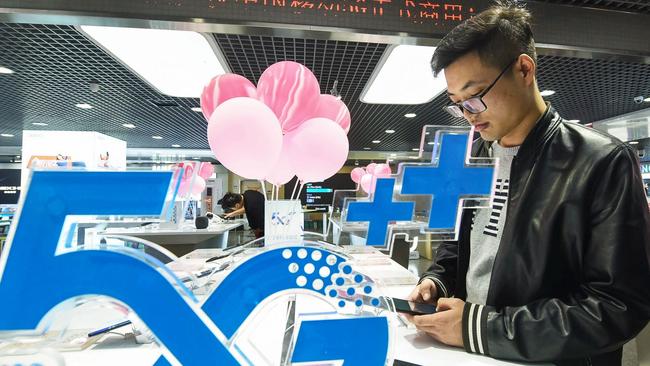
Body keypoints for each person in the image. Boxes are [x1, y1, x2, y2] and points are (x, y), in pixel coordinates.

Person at [406, 2, 650, 365]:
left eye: (474, 97)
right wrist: (438, 279)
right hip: (473, 355)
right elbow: (461, 246)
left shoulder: (601, 161)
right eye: (457, 104)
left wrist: (480, 327)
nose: (468, 115)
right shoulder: (473, 155)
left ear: (524, 69)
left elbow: (616, 305)